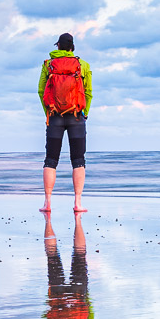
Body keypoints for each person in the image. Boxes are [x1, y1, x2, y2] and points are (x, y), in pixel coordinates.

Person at [38, 31, 92, 212]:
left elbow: (40, 91)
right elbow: (88, 92)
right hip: (76, 116)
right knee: (78, 160)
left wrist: (49, 111)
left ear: (58, 46)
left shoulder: (48, 65)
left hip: (54, 116)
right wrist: (85, 113)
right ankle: (77, 203)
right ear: (72, 47)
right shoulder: (82, 65)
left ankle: (47, 203)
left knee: (51, 160)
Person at [42, 210, 94, 319]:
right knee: (52, 258)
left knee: (80, 256)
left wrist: (88, 300)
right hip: (57, 299)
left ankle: (76, 221)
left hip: (79, 299)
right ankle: (56, 222)